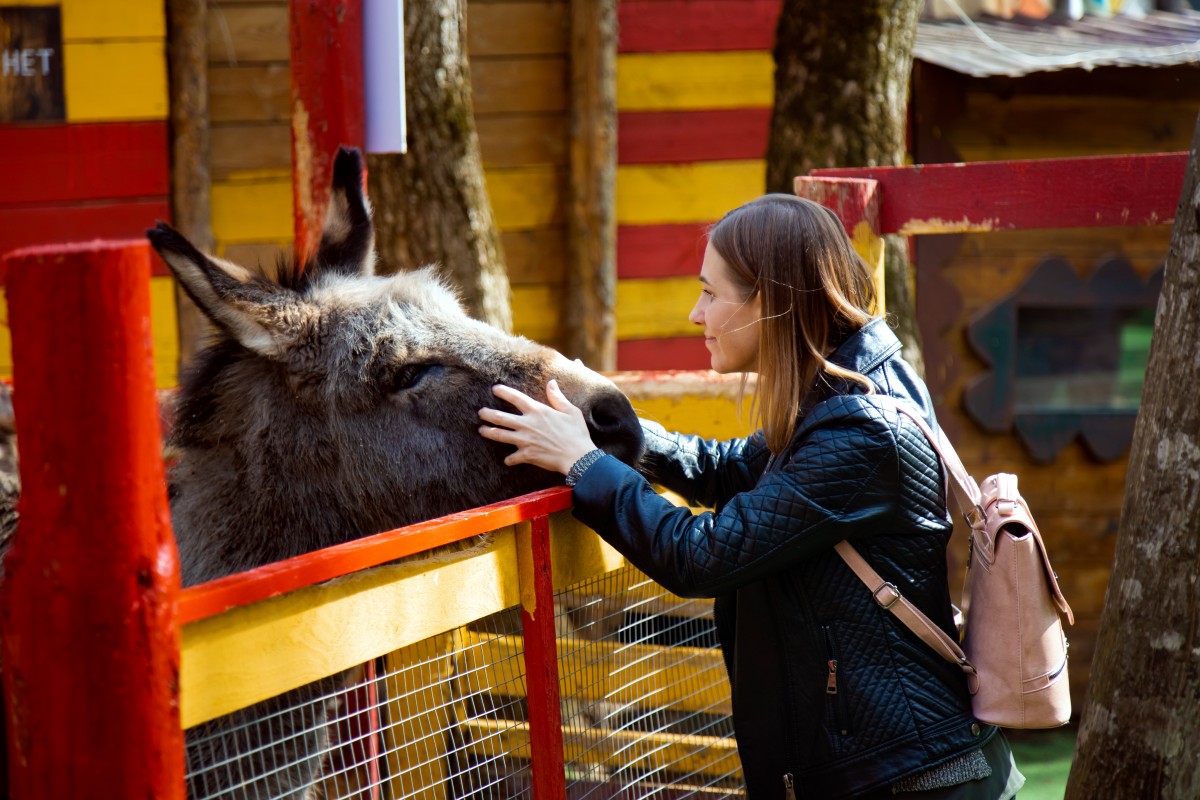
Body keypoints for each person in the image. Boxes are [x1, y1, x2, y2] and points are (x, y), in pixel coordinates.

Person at [477, 194, 1024, 799]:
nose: (695, 313)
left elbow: (700, 555)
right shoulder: (840, 390)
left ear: (770, 302)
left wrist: (581, 464)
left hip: (911, 781)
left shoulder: (862, 430)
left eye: (711, 294)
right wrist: (609, 423)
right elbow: (728, 467)